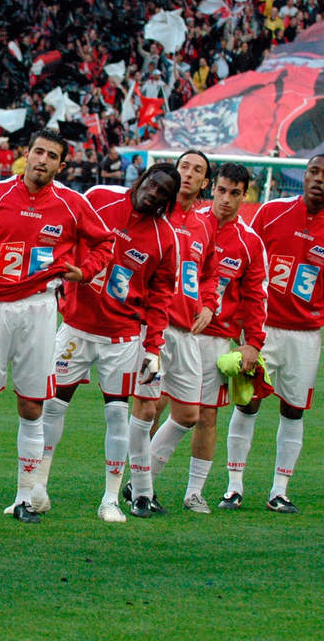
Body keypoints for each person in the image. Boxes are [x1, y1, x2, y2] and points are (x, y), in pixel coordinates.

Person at [0, 128, 113, 523]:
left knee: (32, 405)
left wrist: (84, 271)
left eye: (50, 155)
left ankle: (26, 497)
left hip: (41, 310)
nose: (42, 160)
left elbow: (105, 243)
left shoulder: (73, 204)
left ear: (62, 164)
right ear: (26, 155)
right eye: (37, 152)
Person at [37, 162, 179, 522]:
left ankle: (110, 500)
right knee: (53, 405)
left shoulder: (165, 238)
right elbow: (66, 233)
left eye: (163, 192)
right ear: (141, 180)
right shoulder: (99, 198)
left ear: (168, 201)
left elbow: (162, 296)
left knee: (117, 414)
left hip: (122, 335)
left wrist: (154, 347)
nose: (154, 192)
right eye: (152, 184)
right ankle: (36, 488)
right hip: (76, 326)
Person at [220, 154, 324, 512]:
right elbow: (244, 268)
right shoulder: (270, 213)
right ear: (304, 174)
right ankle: (233, 486)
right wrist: (241, 328)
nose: (318, 179)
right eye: (313, 172)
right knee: (248, 403)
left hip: (306, 336)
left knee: (293, 410)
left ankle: (279, 490)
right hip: (261, 329)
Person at [132, 150, 217, 517]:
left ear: (204, 183)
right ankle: (141, 493)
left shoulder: (203, 224)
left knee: (188, 415)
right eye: (184, 166)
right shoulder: (154, 214)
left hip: (186, 331)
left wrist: (210, 302)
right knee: (146, 408)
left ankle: (137, 484)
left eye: (197, 170)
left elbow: (210, 272)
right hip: (154, 325)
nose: (188, 173)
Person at [182, 163, 267, 513]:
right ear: (210, 188)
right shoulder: (189, 225)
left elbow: (256, 297)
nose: (227, 199)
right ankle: (140, 484)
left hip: (216, 340)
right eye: (221, 190)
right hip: (176, 331)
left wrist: (252, 343)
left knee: (206, 417)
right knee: (152, 406)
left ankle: (194, 492)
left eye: (235, 193)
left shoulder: (249, 242)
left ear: (244, 195)